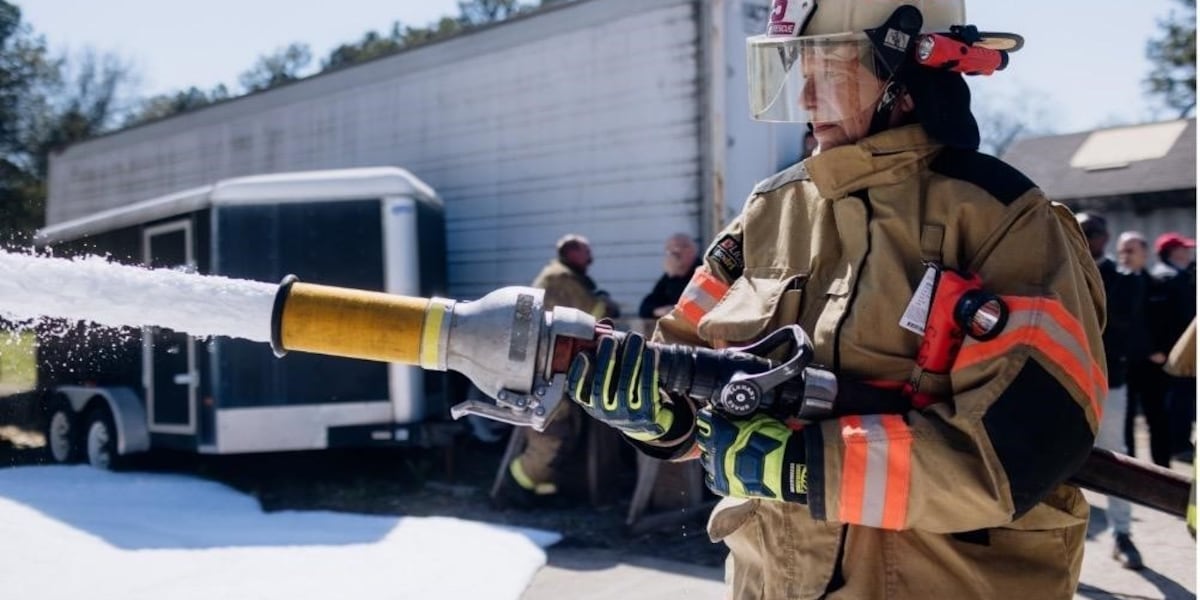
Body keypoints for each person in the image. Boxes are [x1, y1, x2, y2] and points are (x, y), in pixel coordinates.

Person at [564, 1, 1106, 597]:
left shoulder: (1006, 221)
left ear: (909, 78)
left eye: (833, 71)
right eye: (800, 67)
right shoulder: (769, 213)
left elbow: (1020, 447)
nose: (805, 98)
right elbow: (690, 366)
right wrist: (658, 416)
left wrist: (807, 466)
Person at [494, 234, 619, 507]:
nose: (591, 258)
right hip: (546, 368)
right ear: (572, 253)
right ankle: (514, 488)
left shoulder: (558, 277)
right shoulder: (561, 279)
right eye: (586, 252)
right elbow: (594, 315)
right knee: (552, 433)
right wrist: (607, 305)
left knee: (563, 433)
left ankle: (542, 492)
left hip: (550, 366)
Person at [1077, 214, 1143, 569]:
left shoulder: (1124, 280)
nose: (1086, 239)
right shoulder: (1061, 273)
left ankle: (1122, 533)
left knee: (1116, 457)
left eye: (1091, 233)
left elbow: (1119, 323)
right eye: (1081, 233)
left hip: (1109, 380)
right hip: (1067, 381)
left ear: (1104, 237)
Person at [1115, 231, 1171, 466]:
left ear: (1144, 254)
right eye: (1122, 251)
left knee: (1156, 416)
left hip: (1151, 363)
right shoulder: (1114, 284)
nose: (1125, 256)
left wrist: (1162, 350)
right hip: (1122, 362)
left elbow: (1171, 322)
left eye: (1131, 250)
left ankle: (1162, 469)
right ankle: (1129, 468)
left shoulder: (1158, 285)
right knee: (1124, 421)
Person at [1150, 232, 1197, 462]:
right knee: (1178, 402)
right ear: (1173, 252)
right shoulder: (1167, 278)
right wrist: (1157, 348)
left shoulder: (1178, 275)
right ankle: (1179, 445)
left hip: (1179, 352)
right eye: (1184, 248)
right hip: (1174, 354)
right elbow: (1158, 319)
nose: (1188, 252)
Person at [639, 233, 700, 319]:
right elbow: (645, 307)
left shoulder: (702, 273)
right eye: (668, 252)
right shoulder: (670, 277)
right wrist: (657, 311)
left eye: (675, 254)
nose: (671, 258)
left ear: (690, 251)